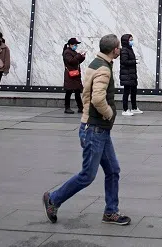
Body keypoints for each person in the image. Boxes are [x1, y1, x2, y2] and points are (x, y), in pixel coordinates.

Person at [43, 34, 131, 226]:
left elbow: (86, 93)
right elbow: (98, 98)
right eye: (118, 47)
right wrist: (108, 114)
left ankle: (110, 212)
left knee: (113, 170)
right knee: (87, 175)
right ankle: (53, 199)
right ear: (114, 50)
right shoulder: (104, 70)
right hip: (95, 129)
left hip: (96, 128)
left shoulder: (95, 63)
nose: (120, 50)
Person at [119, 33, 141, 115]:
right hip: (127, 74)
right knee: (126, 92)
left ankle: (134, 107)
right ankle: (125, 109)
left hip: (131, 74)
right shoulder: (124, 50)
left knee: (134, 91)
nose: (132, 41)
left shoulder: (129, 49)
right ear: (126, 41)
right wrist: (135, 61)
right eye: (130, 40)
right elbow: (124, 61)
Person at [63, 37, 85, 114]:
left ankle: (80, 107)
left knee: (77, 91)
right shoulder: (67, 52)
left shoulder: (73, 52)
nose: (76, 46)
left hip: (75, 75)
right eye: (75, 45)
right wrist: (79, 55)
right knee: (69, 91)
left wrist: (82, 57)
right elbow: (71, 61)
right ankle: (67, 107)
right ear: (70, 45)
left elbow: (77, 62)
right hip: (70, 75)